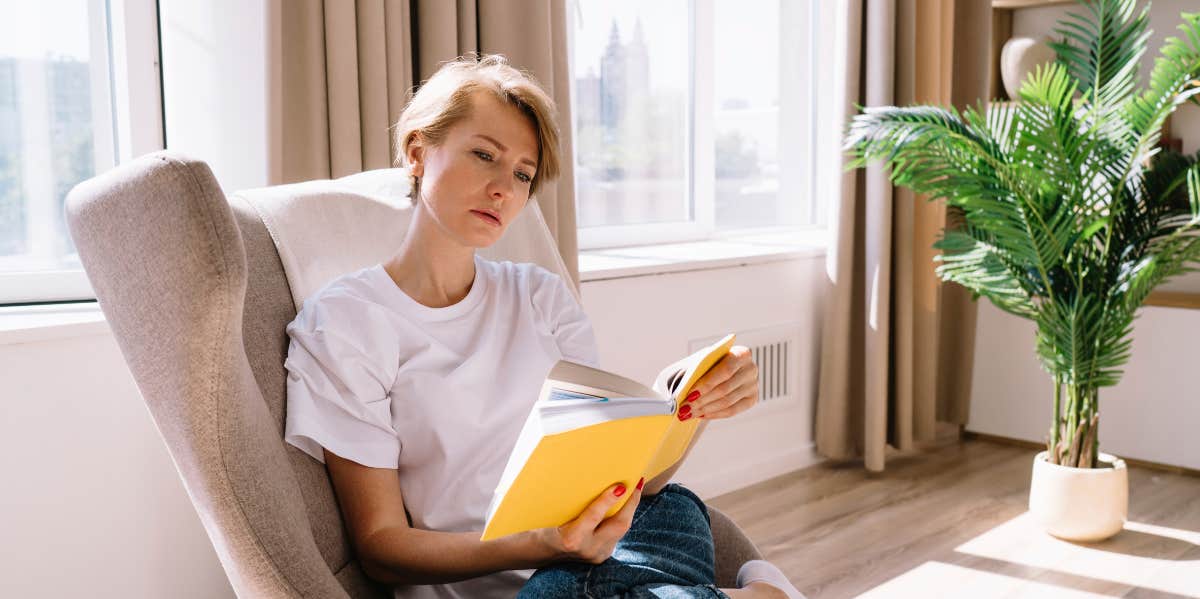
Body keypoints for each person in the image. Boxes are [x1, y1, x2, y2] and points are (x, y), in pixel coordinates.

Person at [283, 54, 804, 599]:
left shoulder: (539, 296)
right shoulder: (345, 323)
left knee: (636, 543)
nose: (503, 189)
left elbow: (627, 480)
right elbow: (382, 546)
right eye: (484, 155)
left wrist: (689, 403)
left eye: (522, 174)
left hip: (634, 531)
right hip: (522, 577)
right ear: (418, 152)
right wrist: (543, 545)